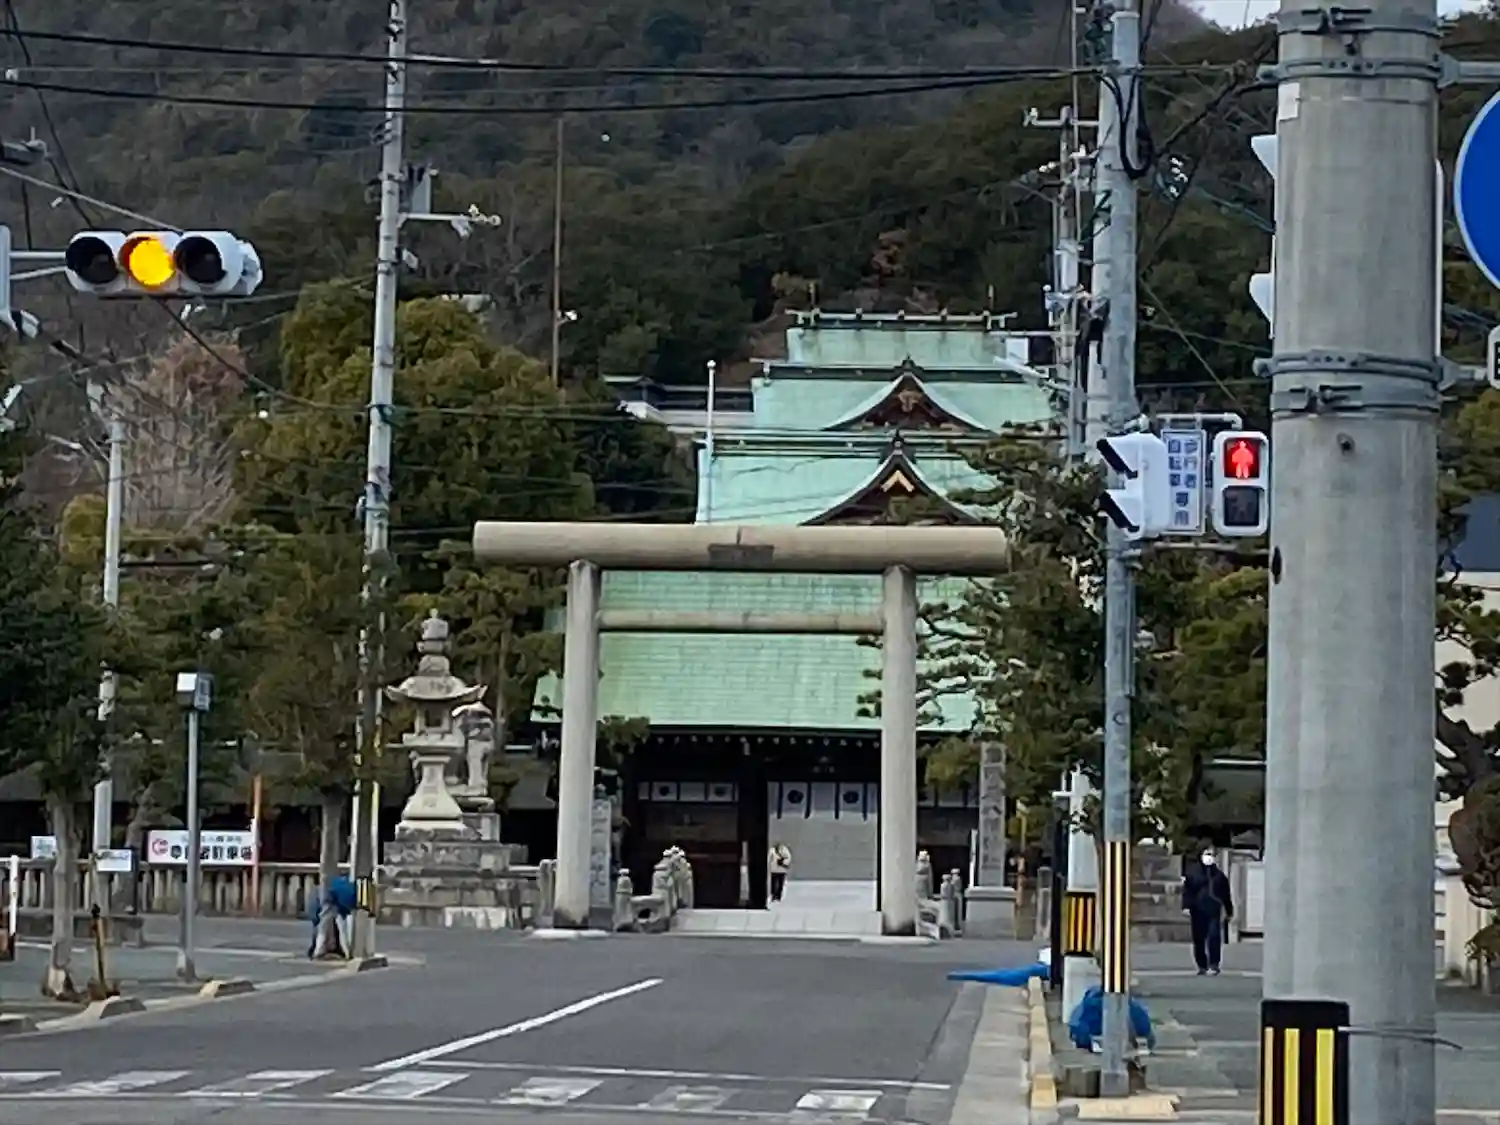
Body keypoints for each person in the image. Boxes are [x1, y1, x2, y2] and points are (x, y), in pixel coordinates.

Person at [1181, 848, 1233, 975]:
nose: (1209, 857)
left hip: (1213, 910)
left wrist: (1229, 910)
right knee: (1198, 938)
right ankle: (1202, 965)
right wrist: (1186, 906)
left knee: (1214, 936)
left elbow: (1226, 895)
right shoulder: (1193, 874)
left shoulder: (1219, 876)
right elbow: (1188, 892)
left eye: (1211, 855)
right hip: (1197, 910)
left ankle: (1214, 964)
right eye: (1207, 854)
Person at [306, 873, 357, 959]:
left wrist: (315, 919)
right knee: (342, 931)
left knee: (322, 931)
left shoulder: (318, 892)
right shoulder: (336, 886)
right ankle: (346, 952)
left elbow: (315, 908)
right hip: (337, 908)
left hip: (328, 909)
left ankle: (317, 951)